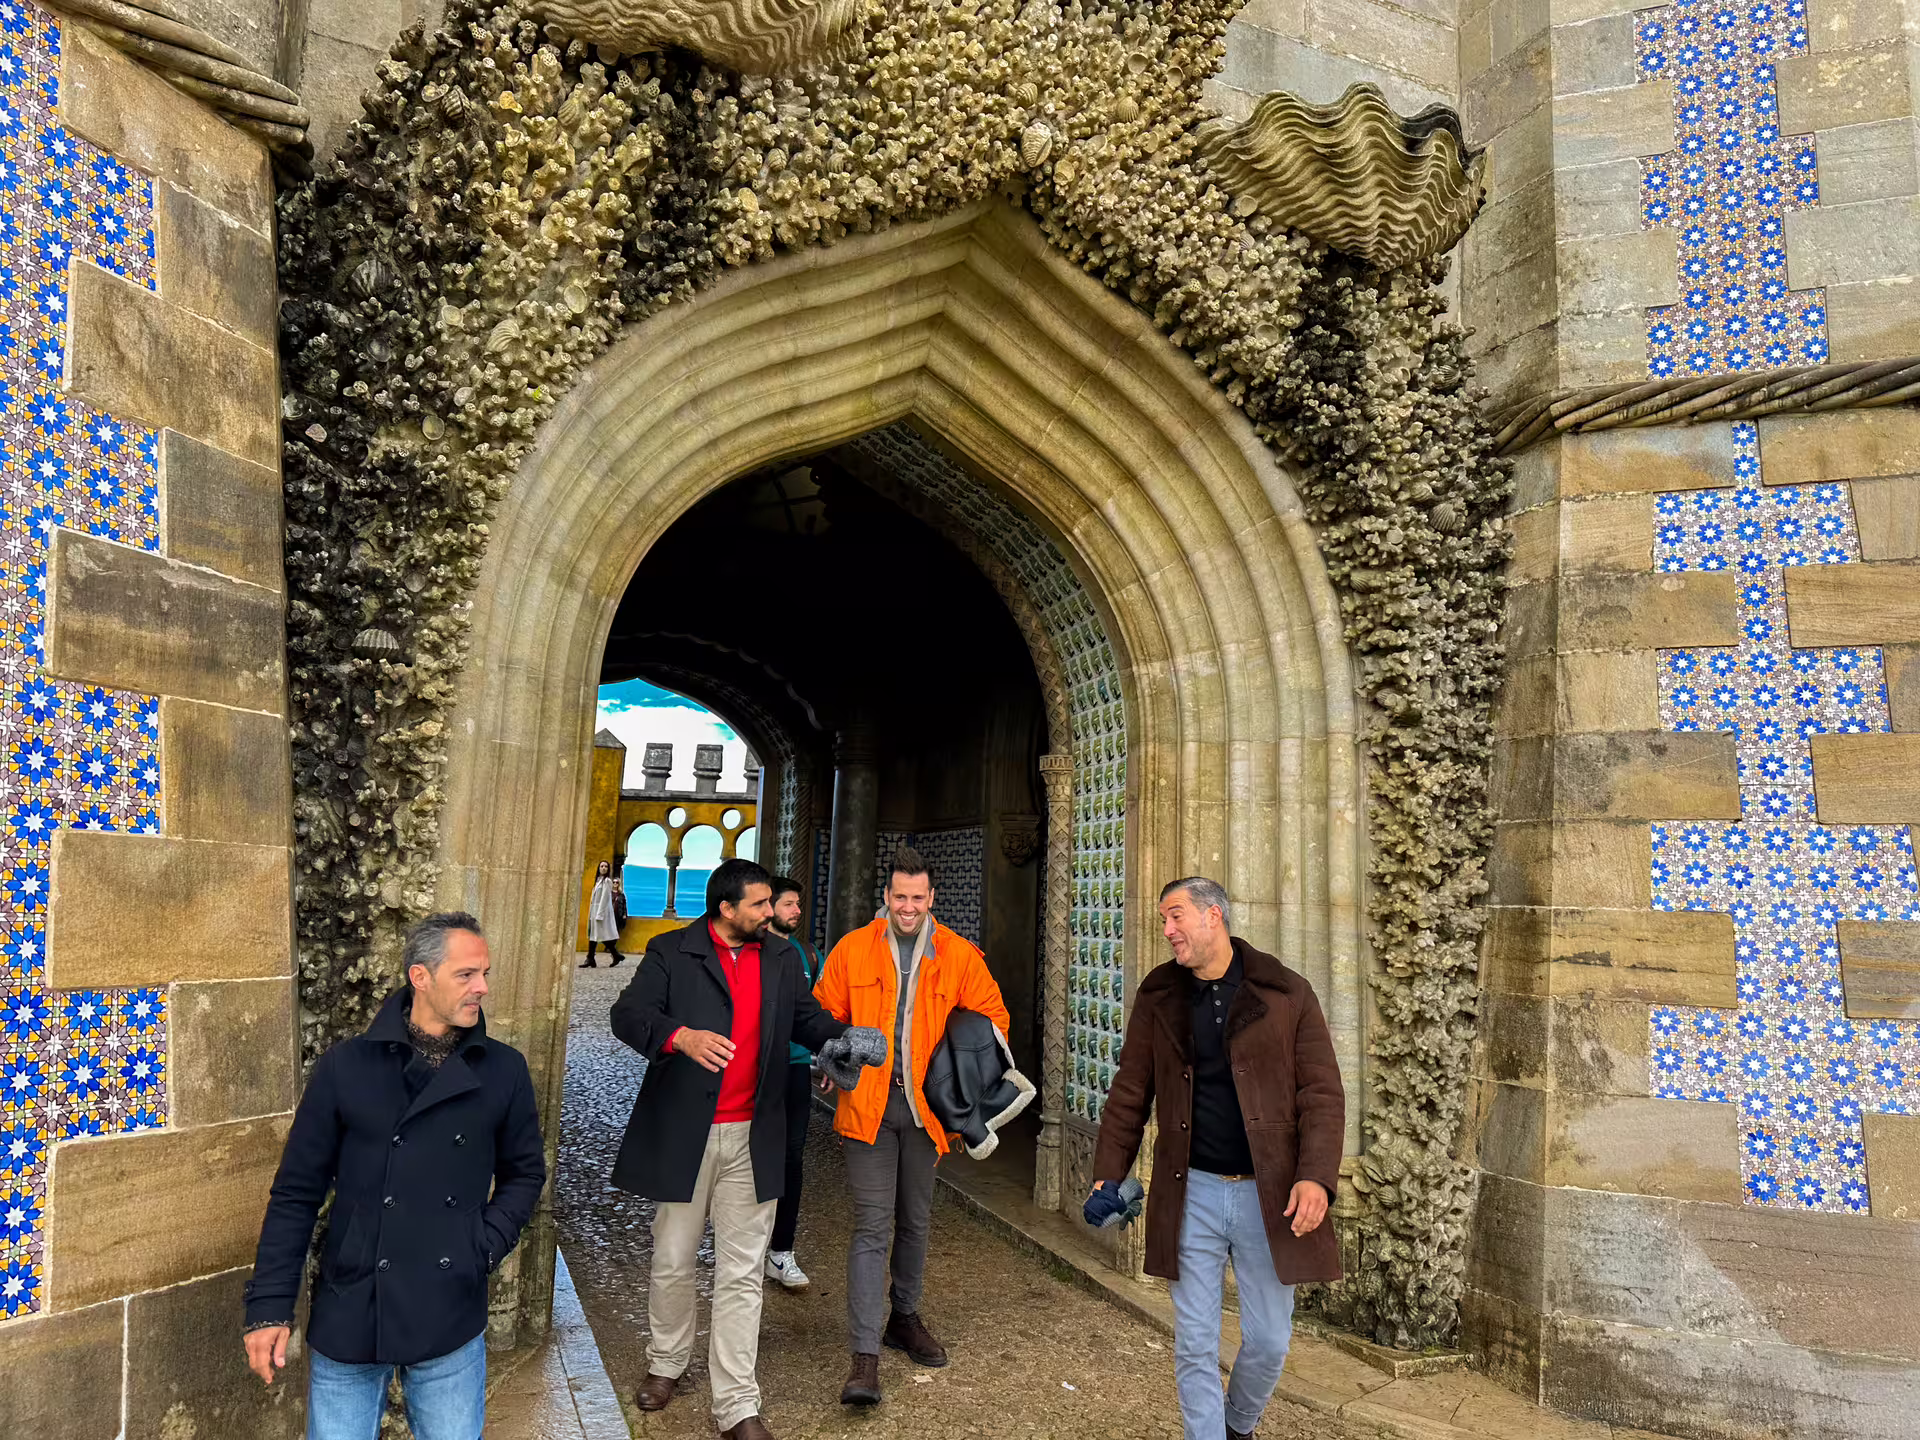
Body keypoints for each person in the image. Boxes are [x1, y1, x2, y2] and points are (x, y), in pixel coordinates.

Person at [242, 913, 547, 1440]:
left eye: (486, 973)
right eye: (467, 974)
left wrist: (483, 1245)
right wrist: (268, 1307)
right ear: (420, 977)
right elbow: (296, 1193)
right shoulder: (346, 1066)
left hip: (450, 1306)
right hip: (353, 1302)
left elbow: (524, 1173)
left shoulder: (504, 1069)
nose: (483, 987)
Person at [610, 857, 882, 1440]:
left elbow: (806, 1019)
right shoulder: (670, 950)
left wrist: (841, 1040)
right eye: (759, 904)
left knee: (742, 1272)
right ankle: (666, 1363)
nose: (771, 912)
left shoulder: (782, 957)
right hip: (685, 1131)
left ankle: (736, 1403)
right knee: (674, 1258)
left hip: (754, 1134)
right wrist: (680, 1037)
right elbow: (628, 1015)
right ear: (726, 908)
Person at [1089, 877, 1345, 1440]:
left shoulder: (1287, 992)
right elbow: (1132, 1087)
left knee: (1271, 1340)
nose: (1167, 931)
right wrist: (1110, 1174)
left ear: (1214, 917)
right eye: (1162, 920)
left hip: (1268, 1194)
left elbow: (1322, 1094)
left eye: (1175, 916)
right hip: (1192, 1190)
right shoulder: (1159, 994)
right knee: (1196, 1341)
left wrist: (1316, 1179)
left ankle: (1237, 1424)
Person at [812, 845, 1011, 1407]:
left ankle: (904, 1316)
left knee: (916, 1222)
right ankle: (864, 1357)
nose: (907, 906)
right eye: (899, 896)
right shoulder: (853, 950)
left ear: (931, 899)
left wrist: (961, 1073)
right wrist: (833, 1057)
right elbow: (823, 1014)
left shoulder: (958, 955)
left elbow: (994, 1019)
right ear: (887, 896)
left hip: (927, 1114)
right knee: (873, 1226)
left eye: (917, 898)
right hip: (868, 1112)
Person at [763, 874, 828, 1291]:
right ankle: (745, 1246)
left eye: (797, 904)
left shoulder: (808, 954)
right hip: (756, 1070)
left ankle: (780, 1251)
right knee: (746, 1158)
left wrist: (825, 1059)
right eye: (789, 904)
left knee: (791, 1160)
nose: (797, 911)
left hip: (796, 1071)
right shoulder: (752, 952)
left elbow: (816, 1015)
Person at [583, 858, 622, 967]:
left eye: (606, 866)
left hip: (601, 912)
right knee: (594, 935)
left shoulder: (607, 881)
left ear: (608, 869)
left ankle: (592, 958)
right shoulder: (598, 881)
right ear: (599, 868)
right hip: (594, 911)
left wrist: (599, 914)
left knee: (599, 936)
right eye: (602, 866)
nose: (603, 868)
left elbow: (605, 898)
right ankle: (593, 958)